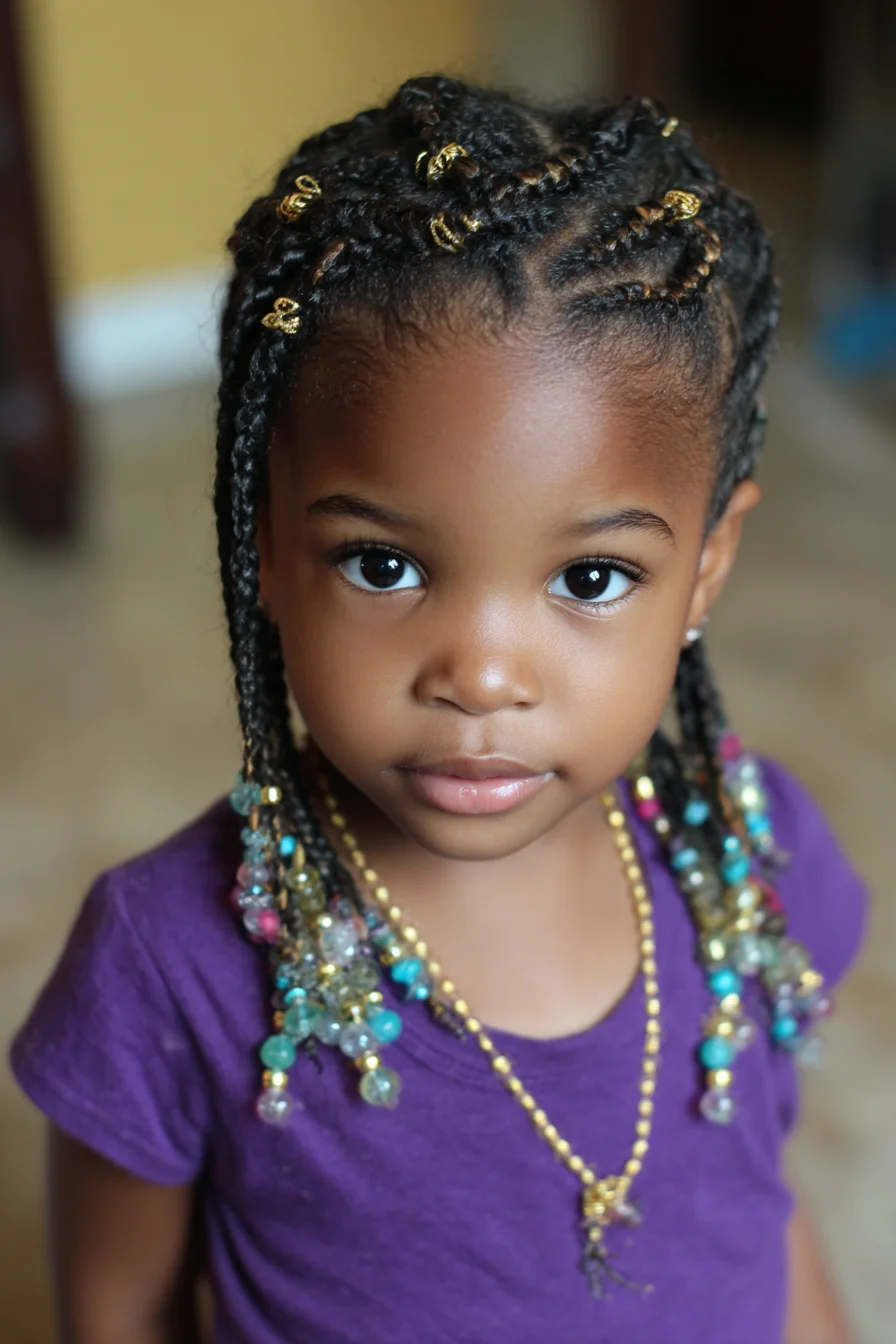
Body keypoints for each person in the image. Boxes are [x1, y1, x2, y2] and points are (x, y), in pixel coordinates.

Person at [11, 76, 867, 1343]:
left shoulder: (750, 862)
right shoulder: (171, 960)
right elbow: (119, 1314)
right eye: (383, 565)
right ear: (262, 543)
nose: (478, 674)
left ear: (706, 568)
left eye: (589, 579)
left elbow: (756, 1201)